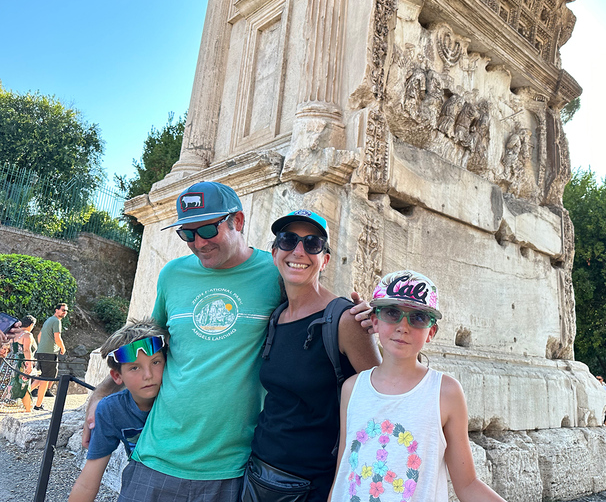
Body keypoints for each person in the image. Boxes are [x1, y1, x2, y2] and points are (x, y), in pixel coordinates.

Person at [83, 181, 372, 501]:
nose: (198, 242)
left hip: (231, 469)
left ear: (238, 221)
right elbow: (145, 345)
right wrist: (103, 392)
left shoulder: (274, 271)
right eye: (187, 234)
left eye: (207, 229)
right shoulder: (171, 274)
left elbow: (312, 304)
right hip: (156, 457)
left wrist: (362, 319)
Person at [329, 271, 506, 502]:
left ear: (431, 332)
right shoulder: (352, 388)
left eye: (418, 318)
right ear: (375, 321)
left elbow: (468, 484)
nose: (403, 326)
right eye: (392, 313)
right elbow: (344, 472)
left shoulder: (445, 393)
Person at [243, 210, 381, 502]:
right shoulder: (277, 316)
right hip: (258, 473)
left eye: (312, 243)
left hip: (313, 483)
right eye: (288, 240)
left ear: (325, 260)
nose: (298, 251)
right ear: (274, 252)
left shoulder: (344, 320)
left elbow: (381, 398)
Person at [69, 320, 168, 502]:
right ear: (117, 376)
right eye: (134, 367)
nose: (148, 375)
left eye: (155, 362)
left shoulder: (175, 400)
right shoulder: (111, 410)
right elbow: (87, 481)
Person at [29, 303, 68, 410]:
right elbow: (57, 337)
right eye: (63, 310)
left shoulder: (48, 320)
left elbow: (39, 335)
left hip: (41, 352)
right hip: (49, 354)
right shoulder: (56, 321)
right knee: (46, 379)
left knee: (42, 378)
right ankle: (37, 405)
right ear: (56, 310)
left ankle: (25, 395)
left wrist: (42, 347)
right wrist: (63, 348)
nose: (65, 312)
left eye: (66, 311)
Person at [10, 315, 37, 412]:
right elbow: (26, 350)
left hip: (11, 362)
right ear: (31, 325)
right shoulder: (27, 335)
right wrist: (29, 364)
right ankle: (28, 409)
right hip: (22, 363)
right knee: (24, 385)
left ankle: (28, 408)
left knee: (14, 385)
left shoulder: (14, 333)